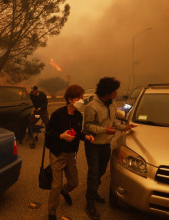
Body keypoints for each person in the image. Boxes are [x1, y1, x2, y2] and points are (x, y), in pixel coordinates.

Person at [83, 77, 136, 220]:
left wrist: (125, 127)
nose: (117, 93)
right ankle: (89, 202)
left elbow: (113, 123)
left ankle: (93, 192)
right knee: (93, 173)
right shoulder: (92, 106)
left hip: (106, 145)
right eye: (115, 90)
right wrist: (104, 130)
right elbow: (87, 127)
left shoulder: (112, 104)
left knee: (100, 172)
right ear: (108, 91)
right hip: (93, 145)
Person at [46, 85, 95, 220]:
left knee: (74, 182)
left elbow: (77, 132)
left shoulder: (78, 115)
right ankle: (51, 213)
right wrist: (61, 136)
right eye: (79, 97)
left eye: (82, 97)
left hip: (71, 154)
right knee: (56, 185)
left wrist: (85, 137)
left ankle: (65, 191)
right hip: (57, 154)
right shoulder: (57, 114)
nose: (82, 100)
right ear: (70, 99)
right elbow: (48, 132)